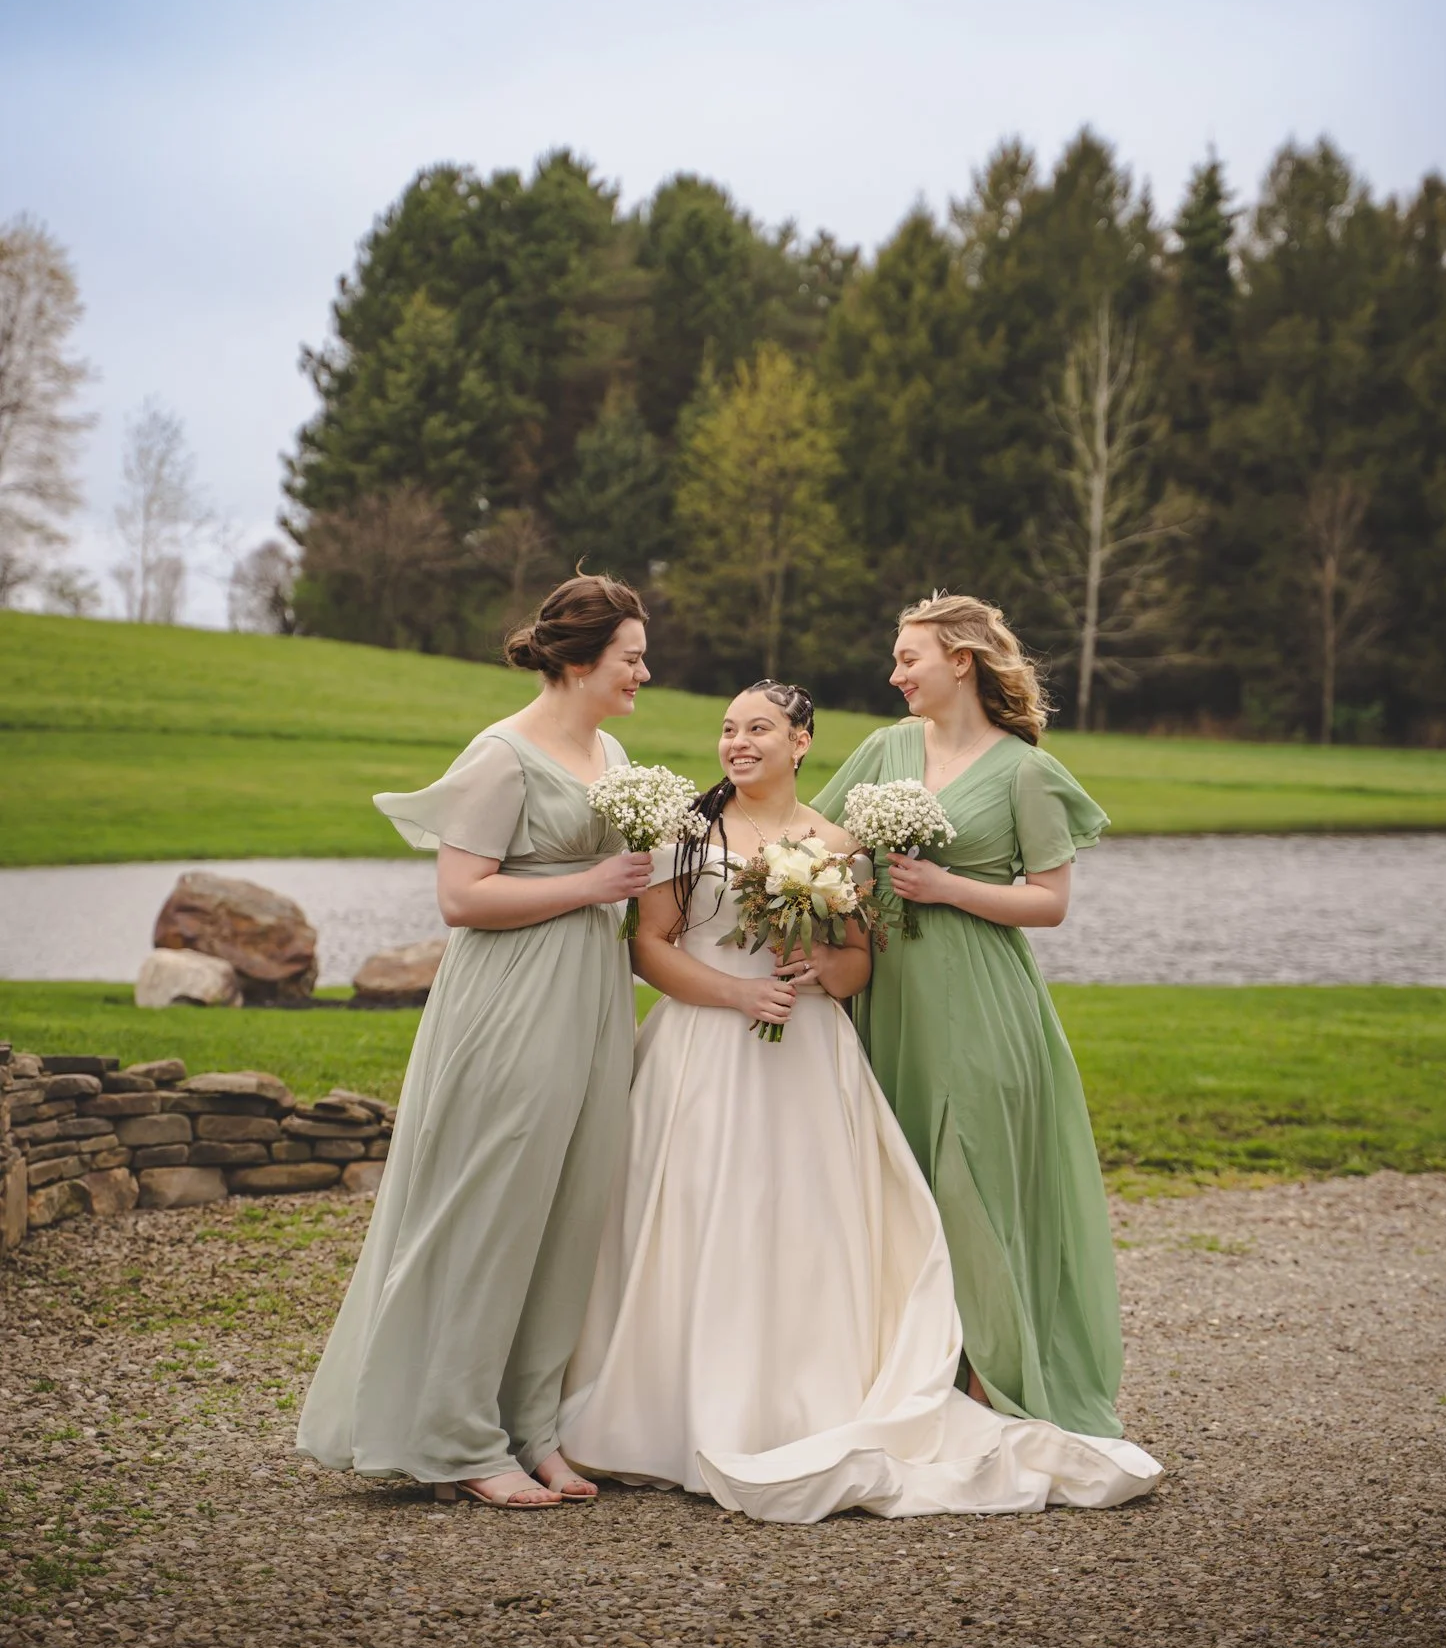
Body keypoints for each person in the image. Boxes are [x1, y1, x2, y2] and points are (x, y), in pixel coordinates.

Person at [558, 680, 1160, 1520]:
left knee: (805, 1221)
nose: (738, 742)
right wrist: (735, 997)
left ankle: (798, 1398)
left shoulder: (834, 842)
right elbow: (648, 949)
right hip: (699, 1050)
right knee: (695, 1211)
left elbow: (856, 965)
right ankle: (670, 1408)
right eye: (729, 728)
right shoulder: (683, 831)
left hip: (808, 1053)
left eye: (759, 729)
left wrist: (814, 976)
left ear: (801, 741)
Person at [296, 574, 655, 1508]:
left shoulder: (611, 747)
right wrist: (591, 884)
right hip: (512, 1003)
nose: (643, 674)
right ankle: (455, 1436)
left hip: (592, 997)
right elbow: (462, 898)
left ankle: (531, 1428)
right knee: (492, 1205)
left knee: (571, 1208)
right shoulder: (502, 755)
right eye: (630, 658)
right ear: (579, 660)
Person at [814, 593, 1127, 1439]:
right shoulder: (884, 748)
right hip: (887, 996)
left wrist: (946, 886)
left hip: (981, 1002)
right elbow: (819, 841)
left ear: (960, 660)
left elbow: (1051, 904)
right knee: (899, 1175)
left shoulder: (1024, 771)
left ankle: (994, 1382)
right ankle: (913, 1372)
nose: (894, 674)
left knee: (971, 1177)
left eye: (908, 658)